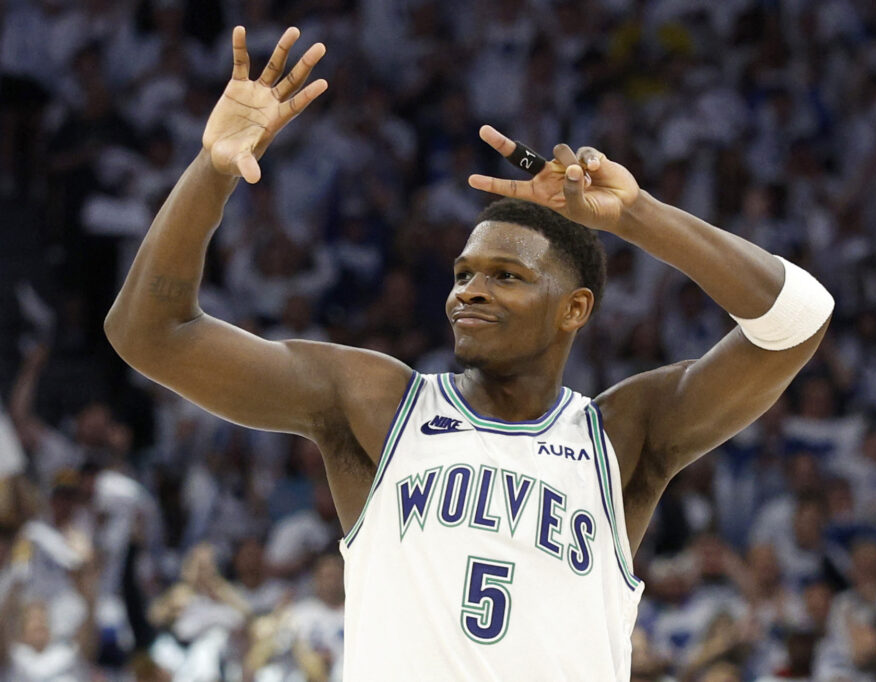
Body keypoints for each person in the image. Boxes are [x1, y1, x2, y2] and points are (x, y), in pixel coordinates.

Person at [103, 26, 833, 680]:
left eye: (506, 276)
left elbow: (798, 318)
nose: (469, 293)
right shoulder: (376, 403)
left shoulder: (622, 434)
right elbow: (150, 336)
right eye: (462, 275)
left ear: (575, 309)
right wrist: (212, 170)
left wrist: (637, 216)